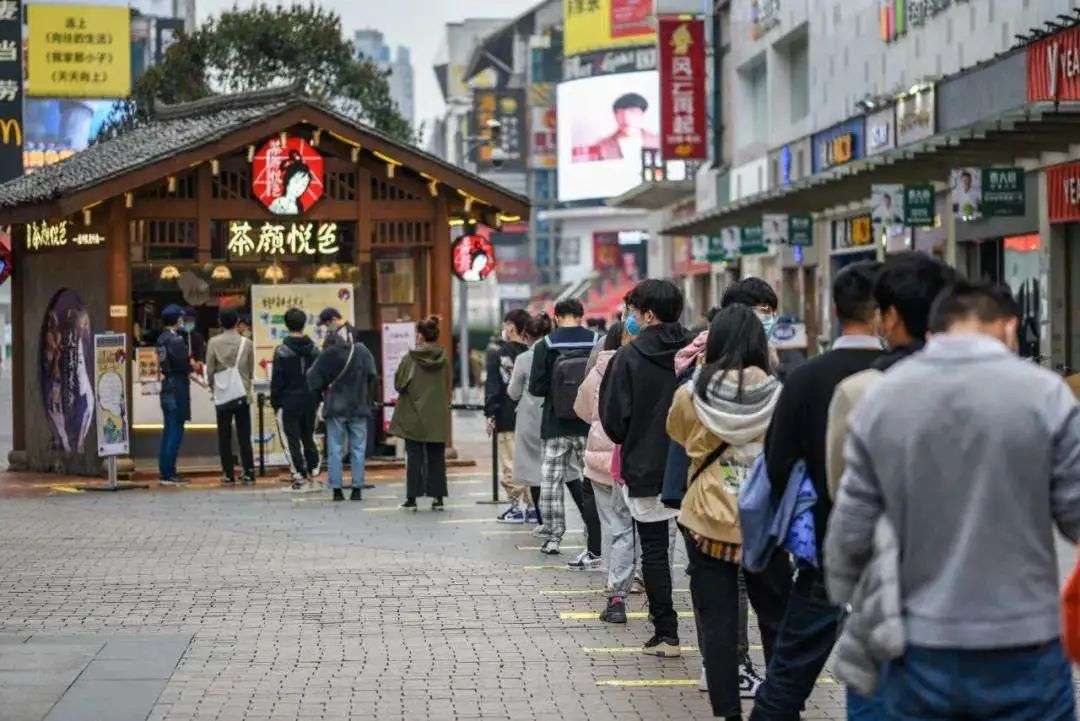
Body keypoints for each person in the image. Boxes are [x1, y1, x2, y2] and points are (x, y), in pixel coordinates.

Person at [827, 280, 1080, 721]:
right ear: (1009, 327)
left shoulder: (882, 397)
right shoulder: (1046, 395)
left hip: (913, 644)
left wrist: (860, 605)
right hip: (1025, 644)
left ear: (933, 332)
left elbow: (849, 534)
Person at [823, 252, 955, 720]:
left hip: (894, 607)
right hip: (1007, 630)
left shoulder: (864, 392)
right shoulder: (1026, 393)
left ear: (892, 317)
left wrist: (840, 587)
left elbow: (847, 502)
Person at [749, 261, 884, 720]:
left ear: (833, 309)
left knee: (788, 674)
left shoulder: (805, 377)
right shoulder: (903, 374)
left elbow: (777, 460)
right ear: (885, 312)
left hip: (823, 548)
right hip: (900, 553)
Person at [667, 304, 793, 720]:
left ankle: (727, 711)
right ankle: (779, 705)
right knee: (774, 615)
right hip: (765, 517)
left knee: (718, 622)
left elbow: (679, 434)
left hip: (706, 517)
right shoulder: (780, 392)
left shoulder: (692, 391)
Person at [599, 279, 691, 657]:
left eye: (634, 312)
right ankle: (713, 627)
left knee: (653, 551)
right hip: (695, 466)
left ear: (648, 314)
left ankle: (666, 632)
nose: (630, 319)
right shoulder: (698, 349)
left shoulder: (629, 358)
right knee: (702, 551)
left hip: (646, 467)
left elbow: (613, 421)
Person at [529, 299, 598, 555]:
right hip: (587, 422)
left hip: (555, 422)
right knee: (592, 480)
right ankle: (594, 536)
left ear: (556, 317)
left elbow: (536, 388)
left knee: (551, 480)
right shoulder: (595, 341)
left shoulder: (546, 345)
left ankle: (553, 536)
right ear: (581, 315)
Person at [575, 321, 633, 622]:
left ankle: (613, 589)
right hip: (627, 456)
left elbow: (581, 409)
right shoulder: (637, 365)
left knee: (611, 524)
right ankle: (624, 583)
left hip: (598, 457)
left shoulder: (598, 369)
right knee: (628, 528)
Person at [307, 309, 377, 502]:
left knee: (335, 449)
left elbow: (312, 378)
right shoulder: (362, 350)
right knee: (358, 448)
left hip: (336, 406)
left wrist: (324, 389)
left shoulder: (328, 353)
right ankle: (357, 488)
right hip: (359, 405)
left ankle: (337, 489)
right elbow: (372, 374)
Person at [391, 316, 451, 510]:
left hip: (413, 414)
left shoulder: (411, 359)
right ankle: (438, 497)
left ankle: (412, 498)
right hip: (436, 414)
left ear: (420, 336)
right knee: (436, 456)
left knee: (414, 457)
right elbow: (448, 385)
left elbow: (399, 384)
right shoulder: (444, 359)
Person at [486, 309, 533, 522]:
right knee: (532, 463)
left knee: (510, 463)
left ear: (512, 327)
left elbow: (494, 386)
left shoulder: (498, 354)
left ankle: (515, 507)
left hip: (506, 415)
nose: (504, 330)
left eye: (506, 325)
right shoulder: (533, 352)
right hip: (531, 418)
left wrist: (490, 413)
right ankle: (533, 508)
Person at [507, 313, 552, 525]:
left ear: (526, 336)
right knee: (554, 469)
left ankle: (541, 520)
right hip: (552, 416)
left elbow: (513, 392)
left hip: (528, 418)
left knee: (533, 473)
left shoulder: (523, 359)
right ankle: (554, 519)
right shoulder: (556, 354)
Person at [271, 307, 321, 492]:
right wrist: (318, 398)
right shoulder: (315, 350)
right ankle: (313, 467)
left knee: (292, 438)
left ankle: (298, 472)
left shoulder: (281, 351)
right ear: (304, 323)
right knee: (308, 435)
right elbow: (319, 377)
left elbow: (277, 380)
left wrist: (276, 402)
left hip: (289, 400)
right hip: (310, 399)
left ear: (286, 324)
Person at [205, 308, 256, 485]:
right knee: (244, 434)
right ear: (237, 322)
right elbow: (251, 371)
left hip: (223, 393)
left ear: (220, 322)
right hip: (241, 392)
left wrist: (213, 386)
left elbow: (210, 370)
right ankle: (249, 471)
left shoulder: (213, 342)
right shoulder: (246, 342)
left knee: (224, 435)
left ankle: (228, 473)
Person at [156, 304, 192, 485]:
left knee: (168, 428)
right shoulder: (176, 340)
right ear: (177, 319)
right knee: (175, 429)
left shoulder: (161, 339)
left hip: (166, 384)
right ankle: (170, 472)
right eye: (181, 318)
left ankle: (165, 470)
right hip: (177, 385)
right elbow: (184, 365)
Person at [574, 92, 660, 162]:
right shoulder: (601, 145)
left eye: (632, 112)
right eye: (620, 113)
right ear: (615, 116)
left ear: (642, 114)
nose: (626, 118)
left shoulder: (658, 141)